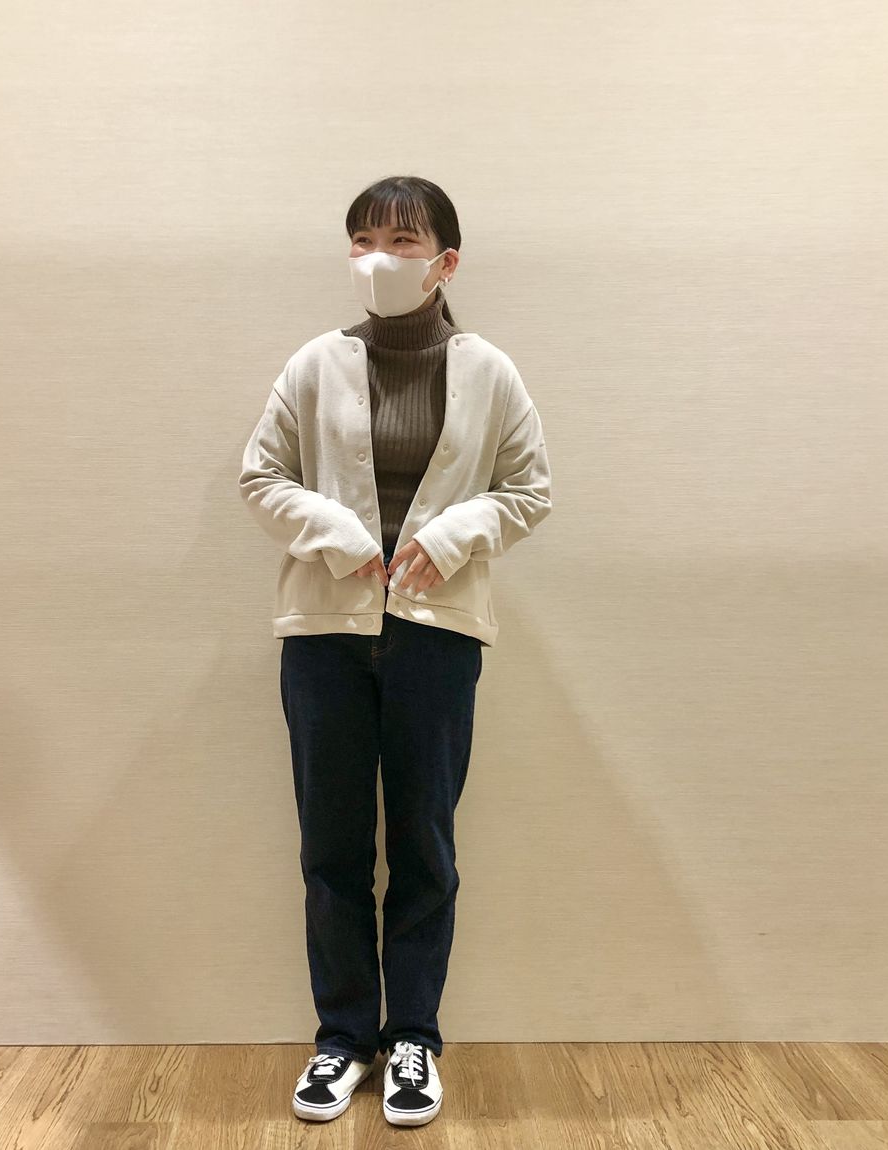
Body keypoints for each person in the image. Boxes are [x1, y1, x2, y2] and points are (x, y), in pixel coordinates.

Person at [238, 175, 552, 1127]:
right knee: (332, 845)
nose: (379, 258)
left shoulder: (489, 372)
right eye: (363, 240)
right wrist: (337, 532)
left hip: (436, 635)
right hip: (324, 637)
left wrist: (454, 535)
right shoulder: (314, 364)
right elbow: (260, 476)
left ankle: (413, 1035)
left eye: (402, 242)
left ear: (444, 262)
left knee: (423, 843)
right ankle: (342, 1039)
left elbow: (530, 489)